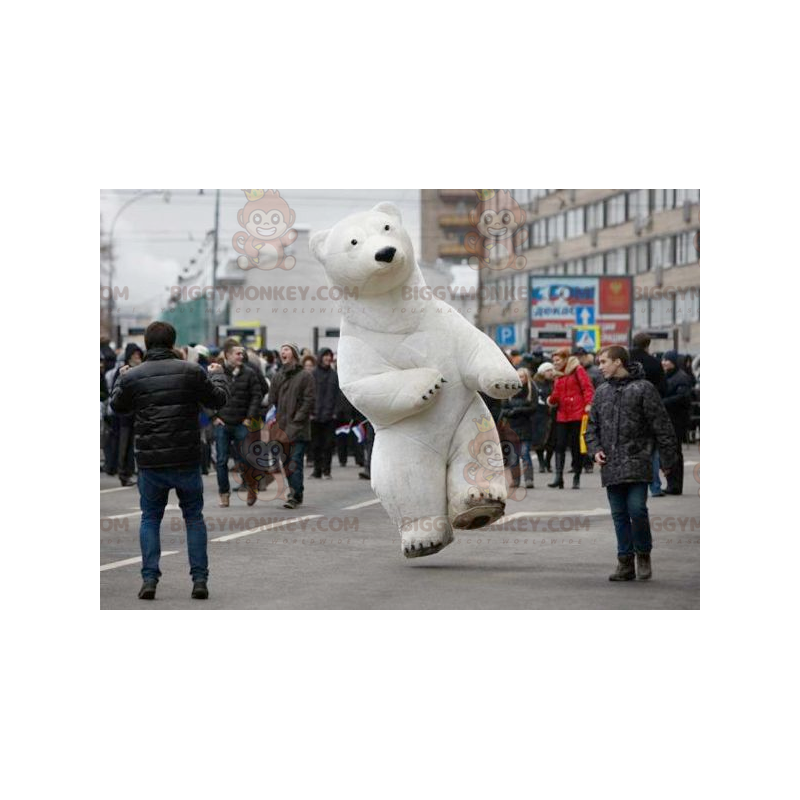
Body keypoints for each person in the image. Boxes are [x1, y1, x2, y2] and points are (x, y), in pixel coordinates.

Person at [110, 322, 230, 601]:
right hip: (186, 458)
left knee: (150, 518)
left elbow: (118, 407)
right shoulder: (191, 372)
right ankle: (199, 579)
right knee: (193, 518)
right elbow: (218, 400)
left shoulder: (134, 376)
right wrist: (219, 376)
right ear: (173, 341)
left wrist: (121, 377)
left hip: (151, 462)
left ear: (146, 343)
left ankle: (149, 579)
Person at [585, 346, 678, 582]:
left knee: (637, 510)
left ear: (618, 362)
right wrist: (595, 451)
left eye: (604, 361)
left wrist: (668, 462)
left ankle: (643, 555)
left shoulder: (644, 389)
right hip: (612, 465)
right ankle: (624, 562)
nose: (600, 366)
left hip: (638, 461)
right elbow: (591, 428)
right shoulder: (602, 391)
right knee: (618, 514)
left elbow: (662, 427)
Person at [213, 340, 264, 508]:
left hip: (242, 422)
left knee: (245, 458)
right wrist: (214, 416)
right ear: (227, 355)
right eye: (238, 353)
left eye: (242, 353)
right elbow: (206, 396)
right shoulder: (218, 373)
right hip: (223, 423)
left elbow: (257, 395)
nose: (241, 356)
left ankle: (251, 487)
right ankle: (224, 493)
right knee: (221, 460)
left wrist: (250, 416)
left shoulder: (249, 373)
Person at [267, 343, 316, 509]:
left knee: (295, 461)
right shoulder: (278, 375)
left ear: (294, 354)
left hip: (298, 427)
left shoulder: (305, 376)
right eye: (282, 350)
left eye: (286, 350)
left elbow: (309, 400)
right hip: (282, 427)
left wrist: (298, 418)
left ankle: (294, 495)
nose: (283, 352)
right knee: (286, 463)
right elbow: (272, 399)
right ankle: (297, 492)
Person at [547, 348, 594, 489]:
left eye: (558, 360)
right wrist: (551, 399)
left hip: (577, 413)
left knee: (575, 446)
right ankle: (558, 477)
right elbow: (557, 393)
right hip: (563, 414)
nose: (555, 363)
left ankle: (576, 476)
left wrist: (589, 404)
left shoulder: (577, 370)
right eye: (553, 361)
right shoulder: (558, 375)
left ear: (566, 359)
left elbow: (587, 387)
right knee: (559, 445)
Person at [630, 332, 668, 498]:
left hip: (628, 410)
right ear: (648, 344)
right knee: (652, 450)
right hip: (649, 411)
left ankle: (632, 485)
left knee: (629, 449)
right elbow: (663, 387)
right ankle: (655, 487)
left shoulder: (625, 360)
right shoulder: (654, 363)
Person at [110, 344, 143, 487]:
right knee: (124, 447)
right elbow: (116, 392)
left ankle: (129, 472)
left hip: (137, 415)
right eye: (135, 355)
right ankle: (123, 473)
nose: (137, 357)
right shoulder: (123, 371)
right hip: (125, 417)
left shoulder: (140, 370)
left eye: (138, 355)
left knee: (133, 447)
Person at [661, 350, 693, 495]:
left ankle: (675, 485)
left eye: (667, 360)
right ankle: (671, 483)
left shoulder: (681, 377)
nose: (664, 362)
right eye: (663, 359)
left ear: (673, 362)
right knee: (670, 451)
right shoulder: (667, 376)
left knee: (674, 452)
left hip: (677, 420)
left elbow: (682, 397)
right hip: (669, 419)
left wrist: (663, 402)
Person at [500, 368, 536, 489]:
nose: (520, 379)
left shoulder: (531, 390)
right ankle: (515, 480)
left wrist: (518, 410)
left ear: (526, 378)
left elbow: (533, 408)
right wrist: (511, 412)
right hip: (512, 427)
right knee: (514, 455)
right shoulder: (509, 391)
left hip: (525, 426)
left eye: (522, 377)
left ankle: (529, 479)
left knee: (525, 453)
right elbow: (503, 409)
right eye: (518, 376)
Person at [310, 348, 339, 479]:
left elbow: (339, 396)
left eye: (329, 356)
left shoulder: (334, 375)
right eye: (325, 356)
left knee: (328, 445)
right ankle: (317, 470)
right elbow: (308, 394)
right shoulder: (313, 374)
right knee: (315, 445)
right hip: (315, 415)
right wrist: (310, 412)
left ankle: (327, 470)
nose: (328, 358)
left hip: (330, 416)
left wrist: (335, 412)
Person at [532, 362, 556, 473]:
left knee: (552, 441)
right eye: (548, 370)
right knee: (539, 440)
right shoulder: (536, 384)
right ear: (542, 372)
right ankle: (541, 463)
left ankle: (548, 462)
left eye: (552, 370)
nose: (551, 373)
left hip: (552, 414)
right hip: (539, 415)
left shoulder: (555, 383)